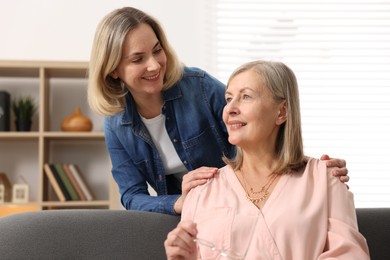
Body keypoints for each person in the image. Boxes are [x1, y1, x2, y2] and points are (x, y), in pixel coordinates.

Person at [88, 7, 349, 216]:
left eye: (157, 50)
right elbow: (132, 196)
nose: (154, 64)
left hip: (243, 204)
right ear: (113, 69)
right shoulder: (115, 123)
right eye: (137, 59)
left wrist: (309, 169)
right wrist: (179, 203)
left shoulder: (198, 86)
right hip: (191, 219)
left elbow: (258, 130)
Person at [164, 60, 370, 259]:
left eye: (246, 97)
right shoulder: (202, 189)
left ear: (282, 112)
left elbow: (350, 255)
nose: (230, 109)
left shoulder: (325, 179)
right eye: (228, 99)